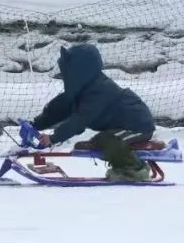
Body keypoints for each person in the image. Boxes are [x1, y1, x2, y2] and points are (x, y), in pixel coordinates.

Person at [20, 44, 157, 183]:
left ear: (81, 70)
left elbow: (79, 121)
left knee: (108, 140)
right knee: (98, 142)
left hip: (138, 125)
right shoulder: (82, 90)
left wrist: (53, 138)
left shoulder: (100, 91)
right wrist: (36, 125)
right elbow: (60, 108)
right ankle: (123, 163)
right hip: (121, 126)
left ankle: (134, 170)